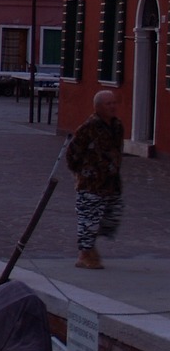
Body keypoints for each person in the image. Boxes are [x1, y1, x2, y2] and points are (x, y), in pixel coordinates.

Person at [65, 90, 123, 269]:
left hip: (111, 182)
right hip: (91, 183)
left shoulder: (117, 126)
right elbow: (72, 153)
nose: (113, 106)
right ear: (98, 107)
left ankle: (89, 247)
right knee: (89, 218)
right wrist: (83, 172)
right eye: (108, 104)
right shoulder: (88, 127)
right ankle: (85, 254)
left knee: (112, 215)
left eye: (114, 103)